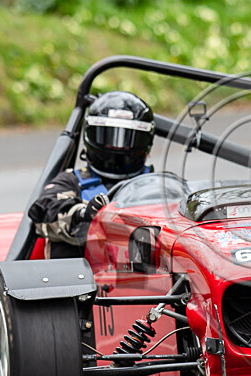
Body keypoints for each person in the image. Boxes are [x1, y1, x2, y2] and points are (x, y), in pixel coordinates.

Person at [28, 91, 155, 258]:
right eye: (109, 138)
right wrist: (84, 215)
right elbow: (42, 212)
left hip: (152, 273)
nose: (117, 148)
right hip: (84, 273)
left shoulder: (158, 188)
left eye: (126, 140)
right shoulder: (71, 182)